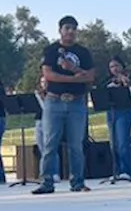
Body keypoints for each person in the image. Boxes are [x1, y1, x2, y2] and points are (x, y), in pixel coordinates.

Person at [33, 15, 95, 195]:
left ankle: (77, 182)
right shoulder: (51, 50)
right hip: (54, 101)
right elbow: (49, 75)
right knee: (50, 143)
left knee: (76, 145)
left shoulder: (83, 52)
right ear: (60, 30)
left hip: (76, 102)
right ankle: (47, 182)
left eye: (74, 28)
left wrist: (75, 71)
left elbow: (90, 76)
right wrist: (72, 78)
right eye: (67, 28)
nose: (70, 32)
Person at [105, 55, 131, 181]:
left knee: (123, 140)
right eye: (111, 67)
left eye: (116, 66)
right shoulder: (108, 80)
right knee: (113, 143)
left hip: (125, 111)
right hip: (111, 111)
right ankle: (116, 170)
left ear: (122, 66)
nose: (114, 69)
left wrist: (125, 81)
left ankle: (127, 170)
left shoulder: (129, 77)